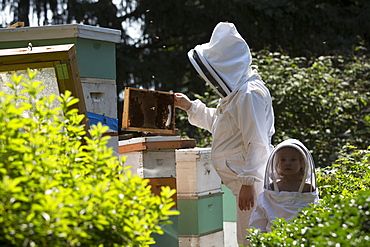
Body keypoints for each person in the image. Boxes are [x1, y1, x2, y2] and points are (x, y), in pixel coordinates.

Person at [174, 22, 275, 246]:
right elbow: (223, 127)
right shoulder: (237, 93)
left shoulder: (249, 95)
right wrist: (190, 107)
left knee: (251, 240)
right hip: (244, 183)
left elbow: (257, 141)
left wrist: (248, 182)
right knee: (246, 239)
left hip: (253, 185)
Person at [249, 139, 319, 233]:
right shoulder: (271, 189)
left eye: (293, 159)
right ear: (277, 163)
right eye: (283, 160)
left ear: (302, 163)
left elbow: (315, 216)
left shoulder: (308, 189)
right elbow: (259, 221)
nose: (287, 163)